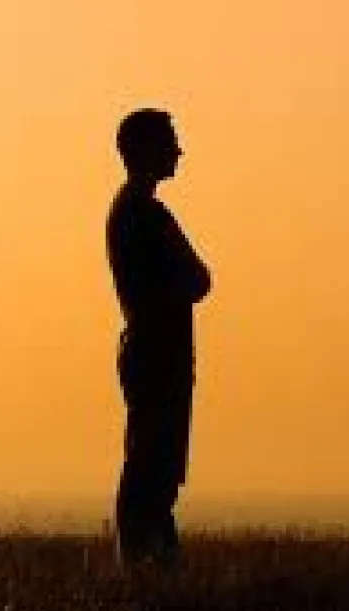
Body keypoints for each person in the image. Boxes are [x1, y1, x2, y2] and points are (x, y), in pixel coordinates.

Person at [105, 109, 211, 569]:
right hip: (156, 352)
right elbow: (198, 279)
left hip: (155, 350)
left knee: (156, 463)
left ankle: (153, 561)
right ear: (144, 150)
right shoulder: (142, 213)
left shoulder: (134, 210)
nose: (178, 152)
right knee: (153, 462)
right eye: (169, 142)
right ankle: (143, 562)